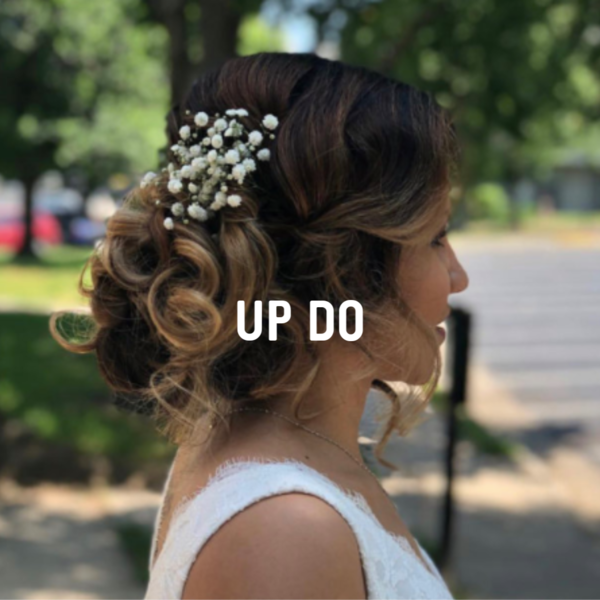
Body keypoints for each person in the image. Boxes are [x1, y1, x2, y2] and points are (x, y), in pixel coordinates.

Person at [50, 51, 469, 599]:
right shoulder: (286, 534)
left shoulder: (262, 448)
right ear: (343, 272)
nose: (458, 276)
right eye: (435, 238)